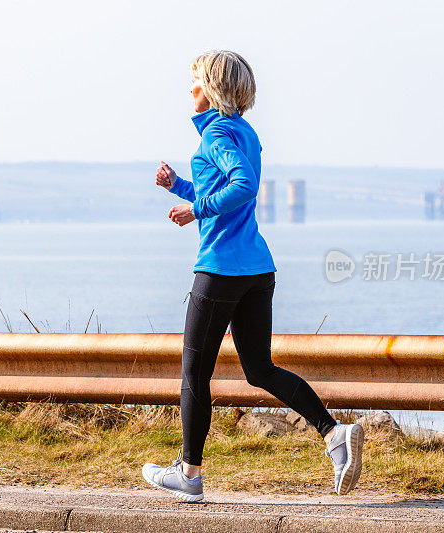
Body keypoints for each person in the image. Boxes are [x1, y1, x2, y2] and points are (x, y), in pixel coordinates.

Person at [141, 50, 364, 502]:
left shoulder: (217, 133)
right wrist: (180, 187)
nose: (190, 90)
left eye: (196, 82)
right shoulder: (245, 132)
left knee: (193, 375)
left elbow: (242, 187)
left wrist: (194, 209)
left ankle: (189, 475)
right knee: (259, 369)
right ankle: (333, 433)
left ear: (213, 88)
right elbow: (225, 190)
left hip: (220, 268)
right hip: (257, 268)